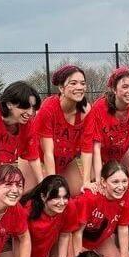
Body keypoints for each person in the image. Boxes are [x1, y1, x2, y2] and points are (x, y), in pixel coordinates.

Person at [30, 64, 93, 195]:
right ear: (61, 88)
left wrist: (86, 181)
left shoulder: (86, 111)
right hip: (35, 155)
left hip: (65, 160)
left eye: (82, 83)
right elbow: (48, 152)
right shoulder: (49, 108)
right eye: (73, 83)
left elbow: (87, 148)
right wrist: (52, 182)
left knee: (78, 192)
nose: (79, 87)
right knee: (26, 192)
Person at [85, 66, 129, 180]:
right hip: (98, 151)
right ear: (114, 89)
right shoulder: (99, 108)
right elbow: (96, 147)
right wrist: (99, 180)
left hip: (123, 148)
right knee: (97, 188)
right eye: (125, 87)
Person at [67, 160, 129, 257]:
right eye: (115, 182)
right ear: (103, 182)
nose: (121, 187)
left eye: (124, 181)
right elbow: (77, 232)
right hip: (72, 238)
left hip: (99, 238)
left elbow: (123, 227)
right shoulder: (90, 197)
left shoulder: (125, 195)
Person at [19, 174, 74, 257]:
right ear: (43, 197)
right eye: (56, 197)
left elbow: (65, 235)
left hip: (41, 253)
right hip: (17, 249)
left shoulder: (68, 206)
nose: (62, 202)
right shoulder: (27, 211)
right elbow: (19, 242)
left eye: (65, 197)